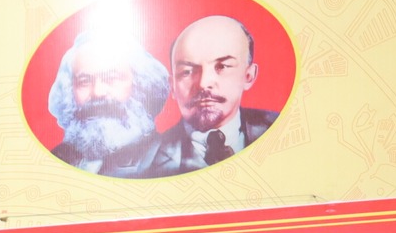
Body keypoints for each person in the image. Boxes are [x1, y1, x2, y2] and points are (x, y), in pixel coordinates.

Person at [108, 15, 276, 177]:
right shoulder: (140, 164)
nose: (203, 83)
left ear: (248, 76)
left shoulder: (280, 130)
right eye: (187, 72)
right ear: (172, 86)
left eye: (222, 67)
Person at [46, 28, 169, 174]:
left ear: (140, 86)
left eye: (111, 78)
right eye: (84, 81)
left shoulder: (166, 159)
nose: (98, 92)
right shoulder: (56, 159)